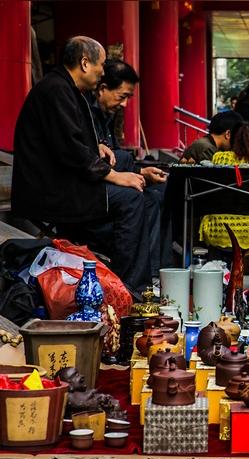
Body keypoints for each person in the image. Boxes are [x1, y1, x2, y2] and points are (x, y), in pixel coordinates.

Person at [12, 36, 154, 293]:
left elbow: (72, 140)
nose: (102, 72)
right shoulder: (55, 90)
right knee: (132, 200)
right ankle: (129, 287)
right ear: (85, 63)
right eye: (100, 65)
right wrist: (115, 176)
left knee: (137, 191)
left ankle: (129, 280)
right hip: (52, 190)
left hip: (62, 182)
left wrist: (96, 146)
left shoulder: (66, 89)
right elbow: (70, 151)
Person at [88, 58, 168, 282]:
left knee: (159, 195)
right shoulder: (82, 111)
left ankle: (154, 273)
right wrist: (134, 173)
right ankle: (132, 280)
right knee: (138, 200)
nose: (124, 104)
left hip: (102, 180)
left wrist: (141, 174)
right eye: (122, 96)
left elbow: (111, 157)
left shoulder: (106, 114)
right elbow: (100, 160)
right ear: (102, 88)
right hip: (85, 189)